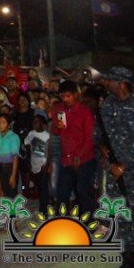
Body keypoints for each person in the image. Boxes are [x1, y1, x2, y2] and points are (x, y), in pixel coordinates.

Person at [99, 67, 134, 268]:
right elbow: (101, 133)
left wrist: (124, 165)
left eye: (110, 80)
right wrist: (103, 149)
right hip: (114, 175)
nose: (106, 82)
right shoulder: (107, 105)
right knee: (121, 218)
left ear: (122, 83)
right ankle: (129, 264)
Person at [53, 79, 96, 216]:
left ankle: (88, 225)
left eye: (68, 96)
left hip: (83, 159)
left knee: (84, 195)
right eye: (62, 96)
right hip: (66, 158)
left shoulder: (85, 113)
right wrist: (56, 120)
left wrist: (79, 156)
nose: (65, 99)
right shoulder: (60, 110)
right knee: (62, 193)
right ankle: (61, 223)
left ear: (75, 95)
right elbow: (60, 131)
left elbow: (89, 138)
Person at [24, 110, 50, 213]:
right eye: (33, 122)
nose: (34, 124)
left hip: (43, 164)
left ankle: (44, 209)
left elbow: (49, 151)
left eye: (37, 122)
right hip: (34, 163)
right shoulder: (31, 133)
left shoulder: (46, 135)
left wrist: (47, 163)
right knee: (38, 186)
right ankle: (43, 206)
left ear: (42, 124)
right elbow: (27, 144)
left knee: (44, 188)